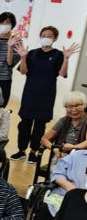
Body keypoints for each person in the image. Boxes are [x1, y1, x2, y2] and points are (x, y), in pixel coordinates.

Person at [12, 27, 81, 162]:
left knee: (39, 125)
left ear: (54, 39)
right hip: (30, 93)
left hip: (46, 95)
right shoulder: (31, 53)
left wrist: (66, 58)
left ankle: (34, 151)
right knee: (24, 124)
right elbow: (23, 71)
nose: (46, 38)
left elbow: (62, 73)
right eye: (43, 35)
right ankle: (21, 150)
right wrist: (23, 57)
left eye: (49, 36)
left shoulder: (58, 55)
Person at [39, 91, 87, 160]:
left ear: (84, 105)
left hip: (82, 157)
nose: (74, 110)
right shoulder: (63, 121)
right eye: (70, 106)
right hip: (61, 156)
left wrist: (74, 147)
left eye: (77, 105)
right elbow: (44, 139)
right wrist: (54, 148)